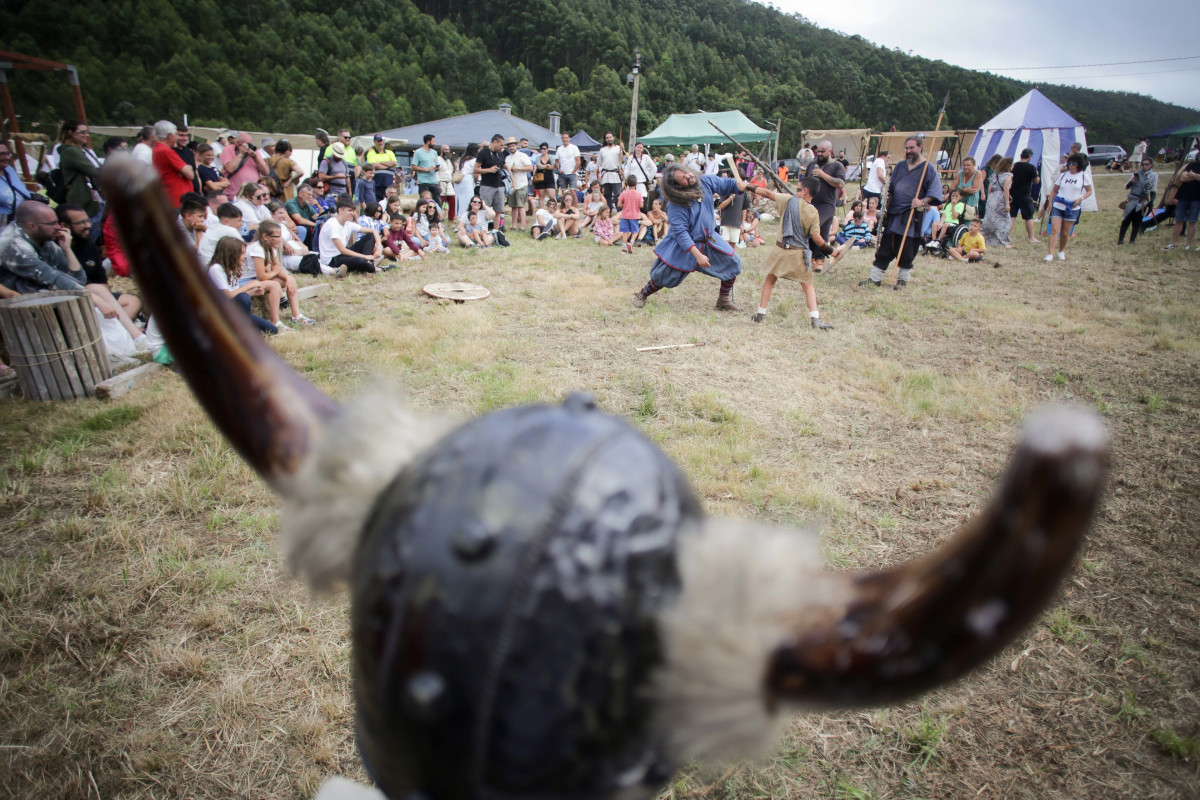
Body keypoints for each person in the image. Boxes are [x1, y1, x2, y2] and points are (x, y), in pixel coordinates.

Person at [631, 163, 749, 310]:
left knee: (733, 262)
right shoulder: (675, 205)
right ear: (677, 186)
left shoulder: (704, 182)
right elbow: (682, 234)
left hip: (709, 238)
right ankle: (643, 294)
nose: (689, 176)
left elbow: (725, 184)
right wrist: (697, 255)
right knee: (666, 275)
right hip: (685, 246)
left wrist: (738, 185)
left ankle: (723, 300)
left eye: (686, 172)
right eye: (683, 179)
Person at [744, 177, 833, 329]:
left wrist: (747, 186)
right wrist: (829, 250)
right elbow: (817, 239)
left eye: (799, 188)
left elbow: (766, 193)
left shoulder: (788, 200)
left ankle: (760, 314)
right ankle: (815, 319)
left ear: (805, 191)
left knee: (770, 279)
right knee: (808, 285)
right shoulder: (813, 212)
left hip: (780, 250)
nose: (796, 191)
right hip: (798, 254)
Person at [858, 135, 943, 290]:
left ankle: (902, 280)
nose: (909, 151)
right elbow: (891, 190)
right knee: (886, 246)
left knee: (907, 249)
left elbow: (935, 192)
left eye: (912, 148)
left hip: (912, 216)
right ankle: (875, 278)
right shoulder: (901, 166)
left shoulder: (928, 169)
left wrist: (922, 201)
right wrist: (886, 209)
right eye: (906, 148)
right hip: (895, 214)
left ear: (920, 148)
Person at [58, 203, 143, 322]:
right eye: (81, 223)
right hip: (74, 299)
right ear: (64, 226)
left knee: (133, 302)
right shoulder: (55, 250)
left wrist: (105, 299)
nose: (88, 226)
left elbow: (101, 279)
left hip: (97, 294)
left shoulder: (89, 246)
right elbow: (72, 283)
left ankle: (122, 333)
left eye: (88, 221)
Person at [206, 236, 278, 335]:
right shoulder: (216, 269)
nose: (245, 256)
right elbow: (226, 296)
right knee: (244, 297)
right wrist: (248, 285)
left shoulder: (231, 269)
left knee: (273, 330)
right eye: (242, 253)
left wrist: (251, 292)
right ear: (231, 254)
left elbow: (235, 295)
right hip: (220, 312)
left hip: (235, 311)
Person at [248, 221, 313, 326]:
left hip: (258, 279)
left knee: (290, 279)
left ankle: (296, 316)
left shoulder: (270, 248)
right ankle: (275, 321)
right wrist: (275, 271)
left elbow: (277, 267)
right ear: (265, 236)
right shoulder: (257, 249)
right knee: (275, 285)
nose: (280, 239)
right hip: (248, 281)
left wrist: (287, 278)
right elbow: (262, 276)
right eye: (277, 236)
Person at [802, 140, 846, 270]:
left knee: (819, 228)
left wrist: (822, 175)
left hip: (826, 204)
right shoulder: (812, 165)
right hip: (810, 202)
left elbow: (840, 183)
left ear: (830, 151)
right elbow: (804, 182)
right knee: (808, 228)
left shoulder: (837, 166)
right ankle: (810, 258)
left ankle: (819, 259)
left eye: (822, 151)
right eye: (818, 151)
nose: (819, 154)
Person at [1041, 153, 1093, 262]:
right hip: (1059, 205)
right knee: (1054, 229)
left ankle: (1061, 251)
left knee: (1065, 232)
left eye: (1074, 163)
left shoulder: (1084, 176)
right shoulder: (1063, 175)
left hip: (1072, 207)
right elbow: (1054, 190)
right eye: (1069, 163)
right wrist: (1051, 203)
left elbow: (1089, 191)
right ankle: (1050, 253)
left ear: (1079, 165)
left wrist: (1081, 199)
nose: (1071, 165)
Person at [56, 119, 102, 224]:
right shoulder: (71, 151)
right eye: (82, 132)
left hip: (87, 198)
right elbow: (92, 171)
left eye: (87, 132)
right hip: (82, 199)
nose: (87, 135)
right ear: (70, 133)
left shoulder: (80, 150)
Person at [319, 197, 380, 274]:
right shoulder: (332, 224)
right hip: (332, 259)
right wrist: (364, 256)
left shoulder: (348, 224)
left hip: (342, 255)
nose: (352, 213)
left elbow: (373, 231)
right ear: (340, 210)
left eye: (353, 211)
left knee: (370, 236)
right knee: (360, 260)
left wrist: (379, 248)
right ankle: (374, 268)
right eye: (349, 210)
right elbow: (342, 250)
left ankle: (366, 263)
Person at [150, 120, 194, 208]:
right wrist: (188, 168)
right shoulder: (166, 151)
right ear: (169, 136)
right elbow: (190, 174)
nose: (176, 138)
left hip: (171, 198)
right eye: (175, 135)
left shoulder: (157, 149)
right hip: (177, 200)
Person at [1163, 155, 1200, 250]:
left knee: (1192, 221)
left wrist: (1192, 175)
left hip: (1196, 198)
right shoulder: (1191, 165)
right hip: (1183, 197)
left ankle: (1188, 245)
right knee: (1178, 220)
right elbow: (1182, 178)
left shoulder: (1191, 169)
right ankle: (1174, 243)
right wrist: (1196, 177)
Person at [221, 131, 269, 202]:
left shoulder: (255, 152)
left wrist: (255, 158)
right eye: (246, 144)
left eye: (250, 144)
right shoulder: (228, 149)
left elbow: (266, 172)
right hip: (233, 196)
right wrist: (241, 154)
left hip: (252, 197)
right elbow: (230, 169)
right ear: (237, 143)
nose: (248, 147)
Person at [1008, 148, 1041, 244]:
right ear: (1030, 156)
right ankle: (1031, 238)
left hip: (1012, 194)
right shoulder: (1031, 167)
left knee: (1011, 216)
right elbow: (1036, 181)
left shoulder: (1014, 166)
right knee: (1028, 217)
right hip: (1025, 195)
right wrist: (1037, 175)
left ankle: (1008, 236)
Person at [981, 157, 1013, 248]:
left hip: (992, 198)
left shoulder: (994, 175)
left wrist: (989, 198)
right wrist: (1007, 203)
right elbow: (1006, 190)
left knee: (990, 219)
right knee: (1004, 220)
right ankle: (1003, 240)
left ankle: (988, 238)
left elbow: (989, 189)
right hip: (1000, 198)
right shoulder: (1008, 176)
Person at [0, 140, 34, 226]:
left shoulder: (9, 171)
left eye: (8, 154)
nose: (7, 157)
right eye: (2, 154)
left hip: (18, 227)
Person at [474, 134, 507, 216]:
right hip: (487, 185)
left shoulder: (500, 154)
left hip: (499, 185)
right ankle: (484, 227)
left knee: (498, 211)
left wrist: (512, 180)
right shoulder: (483, 153)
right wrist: (489, 170)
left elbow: (506, 167)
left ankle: (496, 228)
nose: (502, 147)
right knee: (485, 208)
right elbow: (475, 169)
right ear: (495, 142)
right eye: (501, 145)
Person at [504, 137, 533, 230]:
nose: (511, 147)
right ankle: (514, 225)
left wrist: (519, 169)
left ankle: (523, 226)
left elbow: (530, 167)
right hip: (512, 185)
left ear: (516, 145)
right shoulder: (507, 158)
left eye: (512, 145)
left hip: (521, 184)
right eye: (509, 146)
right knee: (513, 206)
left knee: (521, 206)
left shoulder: (522, 156)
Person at [411, 133, 441, 207]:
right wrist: (425, 169)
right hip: (423, 181)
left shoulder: (434, 152)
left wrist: (436, 168)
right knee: (424, 202)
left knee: (437, 202)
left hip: (434, 181)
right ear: (428, 141)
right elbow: (413, 166)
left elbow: (437, 165)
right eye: (433, 141)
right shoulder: (418, 152)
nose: (434, 143)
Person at [365, 134, 398, 198]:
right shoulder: (371, 153)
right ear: (374, 142)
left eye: (381, 141)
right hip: (377, 182)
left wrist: (380, 163)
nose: (380, 143)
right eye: (378, 141)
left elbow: (394, 163)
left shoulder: (390, 152)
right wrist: (388, 165)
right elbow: (373, 165)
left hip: (388, 183)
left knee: (389, 200)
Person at [596, 132, 623, 211]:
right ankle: (609, 211)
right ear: (605, 139)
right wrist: (599, 174)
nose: (609, 139)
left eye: (610, 137)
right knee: (607, 194)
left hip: (615, 174)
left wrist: (623, 149)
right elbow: (599, 163)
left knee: (617, 194)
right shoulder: (602, 150)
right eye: (607, 138)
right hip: (606, 175)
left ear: (613, 138)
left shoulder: (618, 148)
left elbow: (624, 159)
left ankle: (618, 211)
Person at [617, 175, 643, 253]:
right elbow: (641, 205)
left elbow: (618, 204)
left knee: (625, 232)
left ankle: (624, 248)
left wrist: (624, 205)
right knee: (635, 231)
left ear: (627, 184)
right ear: (636, 184)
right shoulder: (639, 194)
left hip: (625, 215)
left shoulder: (624, 193)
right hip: (635, 215)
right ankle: (631, 242)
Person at [956, 156, 984, 223]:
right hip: (959, 201)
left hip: (971, 203)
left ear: (973, 165)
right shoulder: (959, 173)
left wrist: (959, 190)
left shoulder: (978, 173)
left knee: (969, 221)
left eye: (968, 165)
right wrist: (965, 190)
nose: (966, 167)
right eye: (964, 165)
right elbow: (952, 188)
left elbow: (973, 190)